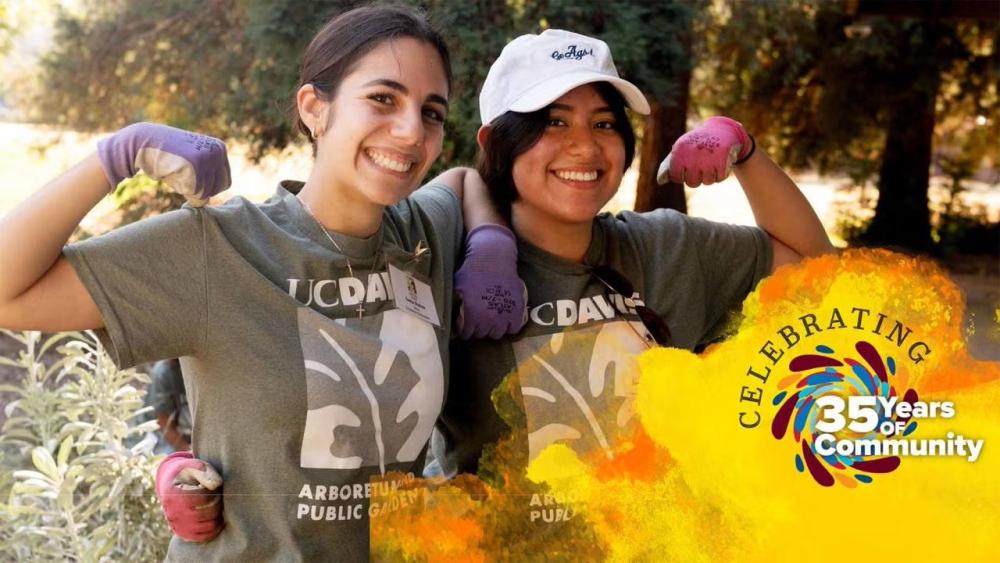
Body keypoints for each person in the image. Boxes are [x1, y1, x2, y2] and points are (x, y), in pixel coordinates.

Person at [163, 28, 836, 547]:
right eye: (551, 121)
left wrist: (745, 154)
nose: (584, 146)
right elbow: (287, 329)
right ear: (499, 138)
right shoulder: (438, 245)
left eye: (604, 123)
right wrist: (179, 458)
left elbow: (818, 268)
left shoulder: (662, 245)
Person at [0, 4, 526, 560]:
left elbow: (465, 180)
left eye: (433, 112)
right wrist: (116, 156)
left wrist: (493, 243)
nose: (410, 130)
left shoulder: (425, 233)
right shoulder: (219, 248)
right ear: (314, 108)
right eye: (382, 98)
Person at [146, 359, 193, 453]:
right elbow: (163, 424)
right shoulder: (163, 372)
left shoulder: (195, 366)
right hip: (169, 439)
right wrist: (188, 451)